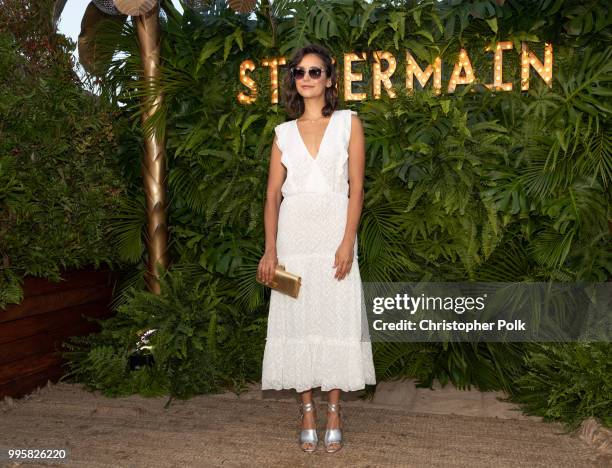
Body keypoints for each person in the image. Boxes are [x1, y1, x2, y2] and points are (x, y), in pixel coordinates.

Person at [257, 43, 376, 453]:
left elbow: (357, 188)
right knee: (296, 320)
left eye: (314, 71)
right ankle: (307, 409)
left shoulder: (348, 123)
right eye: (299, 72)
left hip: (334, 239)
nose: (305, 78)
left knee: (336, 321)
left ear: (329, 79)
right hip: (291, 241)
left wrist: (347, 242)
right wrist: (271, 251)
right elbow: (272, 195)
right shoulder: (282, 134)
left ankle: (334, 411)